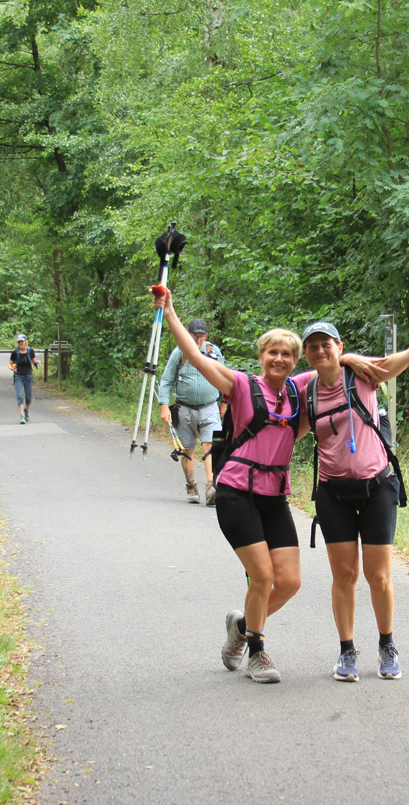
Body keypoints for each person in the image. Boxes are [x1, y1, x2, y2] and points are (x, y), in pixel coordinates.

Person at [152, 287, 380, 684]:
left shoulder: (298, 389)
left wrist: (351, 355)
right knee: (262, 576)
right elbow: (193, 354)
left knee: (289, 581)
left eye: (287, 354)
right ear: (261, 356)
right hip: (237, 493)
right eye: (272, 352)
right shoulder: (239, 385)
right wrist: (170, 312)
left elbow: (330, 360)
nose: (279, 358)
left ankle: (240, 628)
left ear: (295, 361)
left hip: (275, 496)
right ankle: (256, 652)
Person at [300, 291, 409, 682]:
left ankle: (387, 644)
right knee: (344, 576)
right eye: (313, 346)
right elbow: (284, 435)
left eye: (326, 344)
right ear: (307, 354)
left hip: (378, 487)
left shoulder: (365, 374)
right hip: (333, 492)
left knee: (380, 576)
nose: (320, 350)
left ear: (339, 347)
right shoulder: (306, 392)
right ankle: (346, 651)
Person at [158, 318, 225, 506]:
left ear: (207, 336)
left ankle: (212, 487)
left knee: (212, 444)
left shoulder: (214, 352)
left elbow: (225, 376)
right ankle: (191, 485)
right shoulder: (179, 353)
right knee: (186, 448)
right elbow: (166, 380)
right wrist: (164, 405)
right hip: (184, 408)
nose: (198, 341)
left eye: (202, 337)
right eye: (195, 337)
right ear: (188, 335)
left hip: (210, 406)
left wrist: (225, 402)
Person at [9, 333, 40, 425]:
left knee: (29, 397)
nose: (20, 343)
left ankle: (27, 410)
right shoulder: (15, 353)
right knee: (20, 396)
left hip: (28, 375)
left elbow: (34, 361)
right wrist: (12, 368)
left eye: (22, 341)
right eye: (19, 342)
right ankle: (22, 416)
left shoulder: (30, 351)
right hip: (18, 375)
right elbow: (10, 363)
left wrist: (37, 363)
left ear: (25, 341)